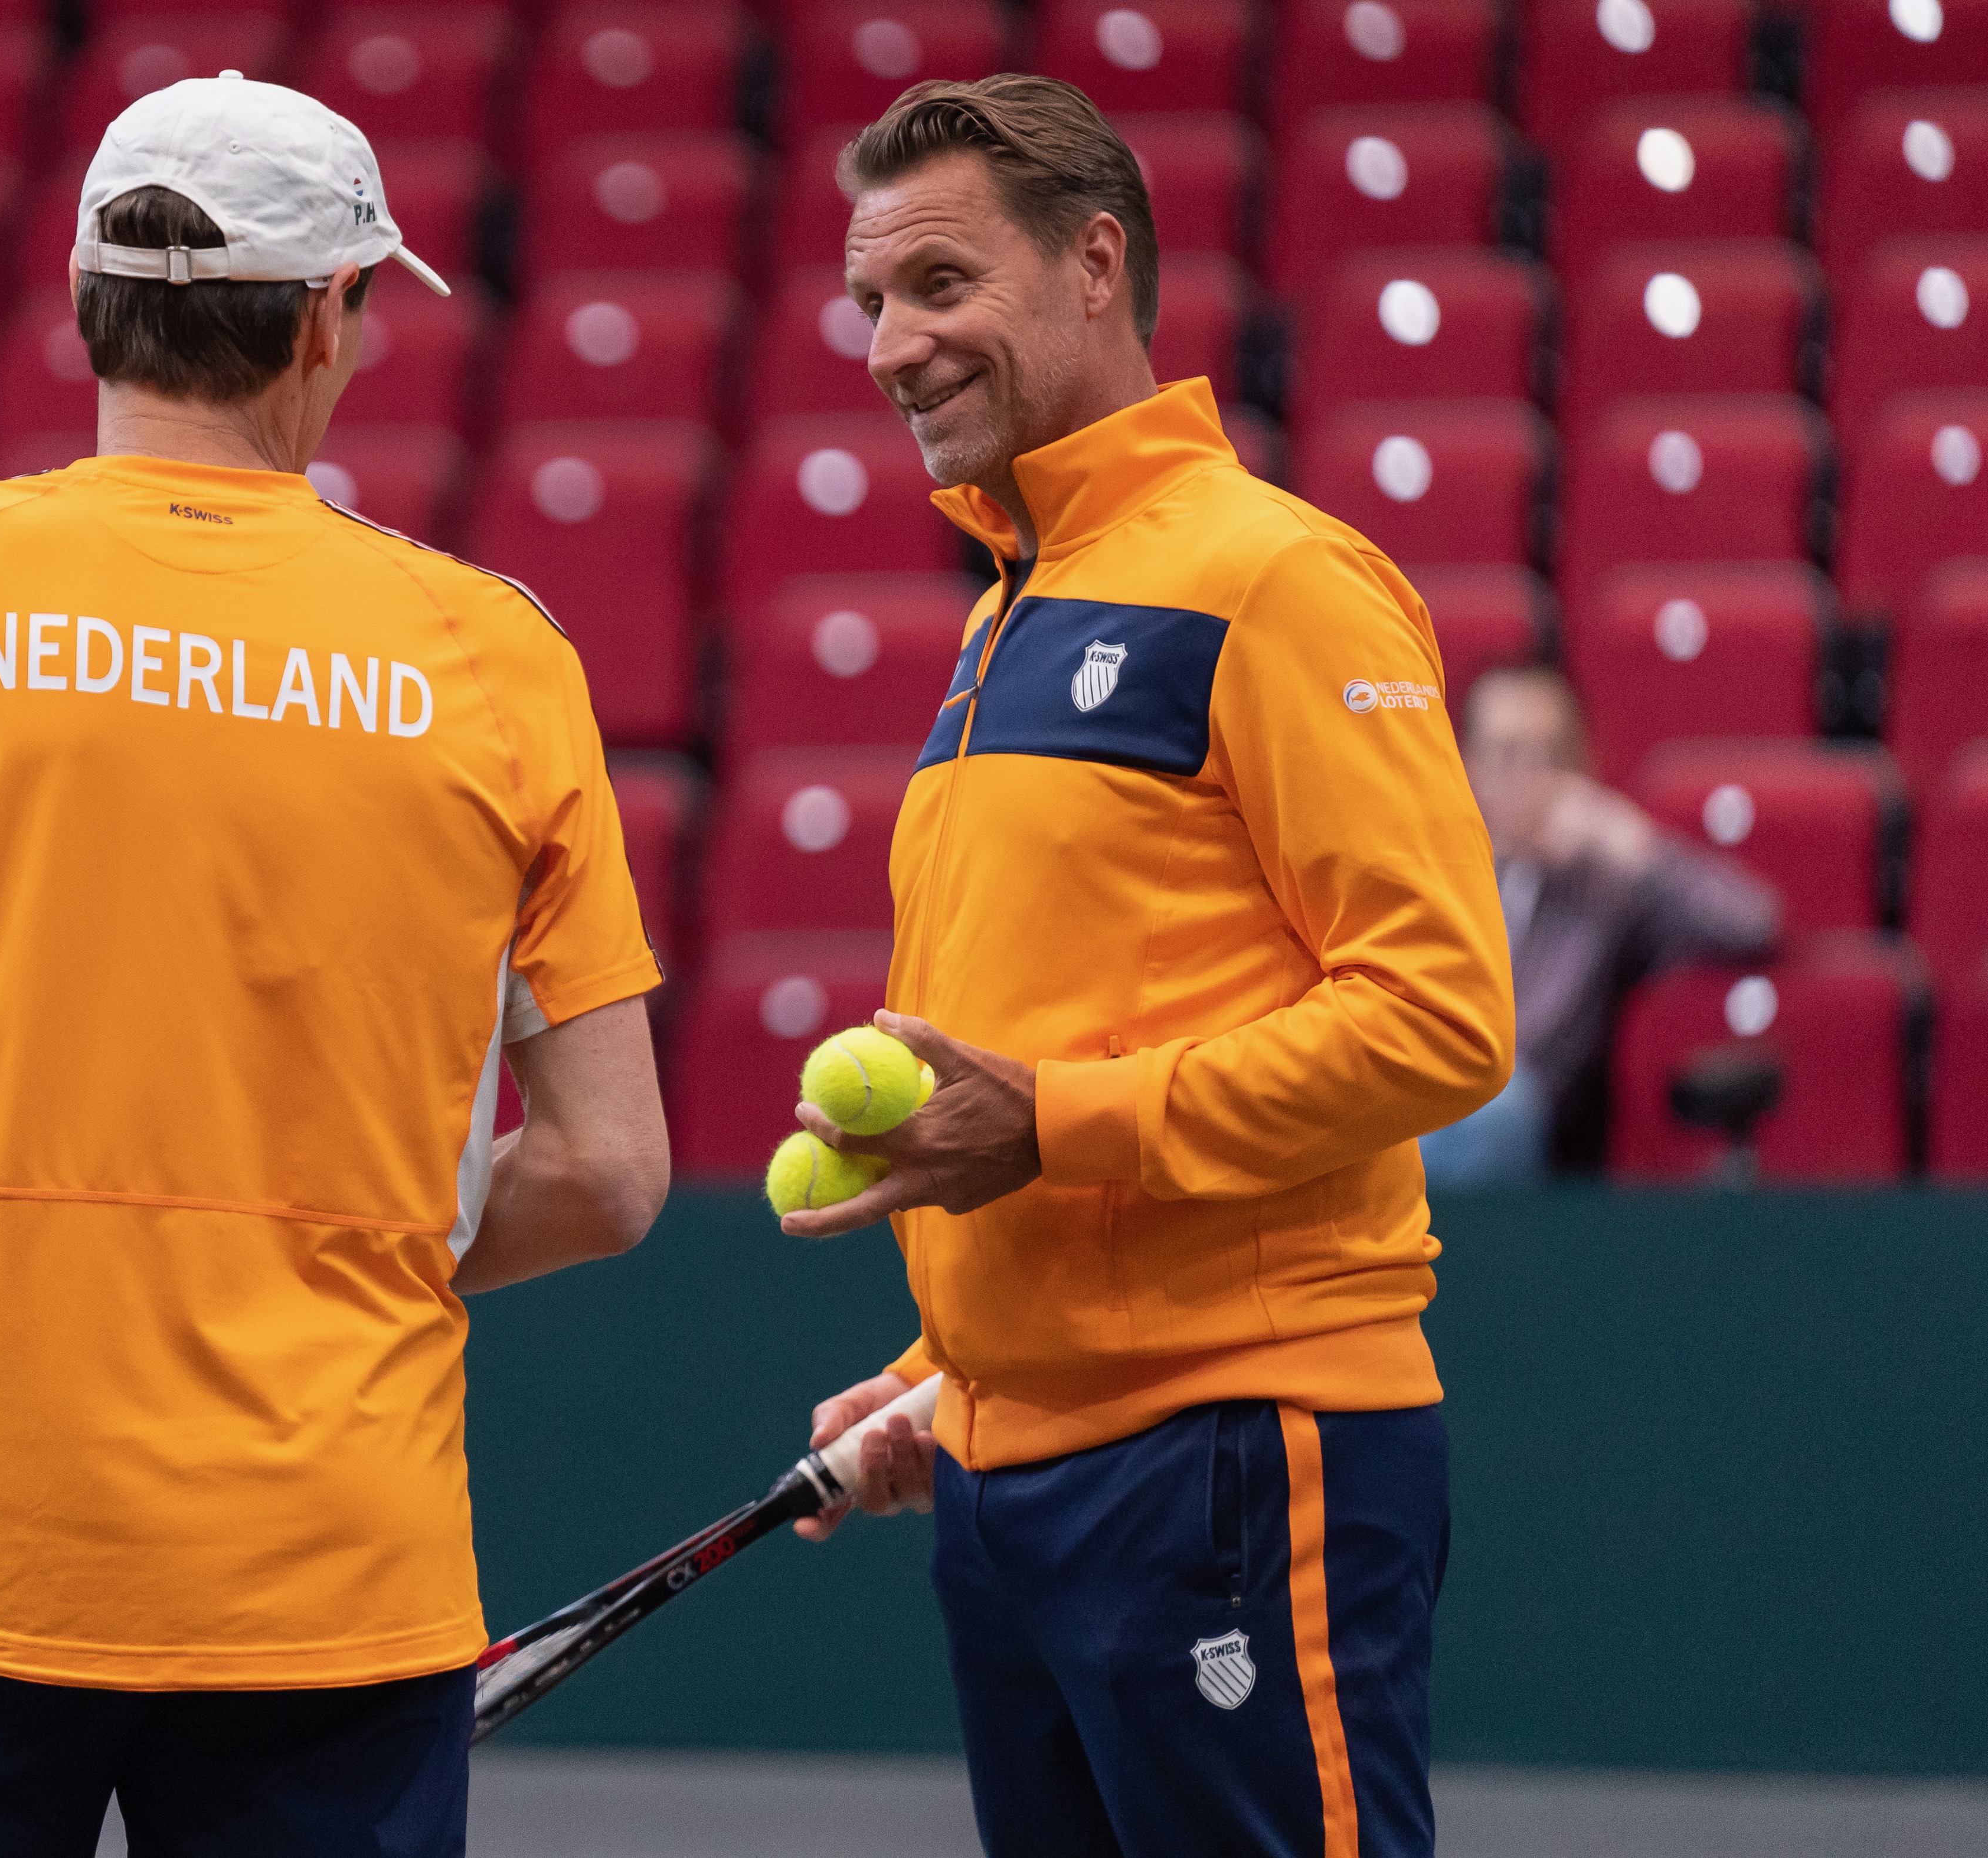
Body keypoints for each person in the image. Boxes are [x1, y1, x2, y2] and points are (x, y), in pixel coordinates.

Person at [0, 73, 669, 1858]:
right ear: (321, 314)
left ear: (81, 303)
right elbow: (606, 1171)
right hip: (334, 1561)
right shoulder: (495, 654)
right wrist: (334, 1231)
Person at [776, 76, 1516, 1858]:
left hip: (1231, 1456)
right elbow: (1075, 1031)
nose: (892, 344)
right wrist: (957, 1365)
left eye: (940, 284)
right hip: (1016, 1468)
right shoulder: (992, 620)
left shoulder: (1279, 582)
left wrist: (1047, 1127)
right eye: (872, 299)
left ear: (1092, 263)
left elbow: (1437, 1015)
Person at [1424, 666, 1780, 1181]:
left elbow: (1753, 923)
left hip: (1529, 1112)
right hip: (1426, 1083)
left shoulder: (1608, 889)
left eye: (1547, 757)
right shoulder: (1435, 874)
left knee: (1492, 1110)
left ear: (1581, 766)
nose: (1527, 779)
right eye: (1505, 756)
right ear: (1469, 767)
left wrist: (1633, 842)